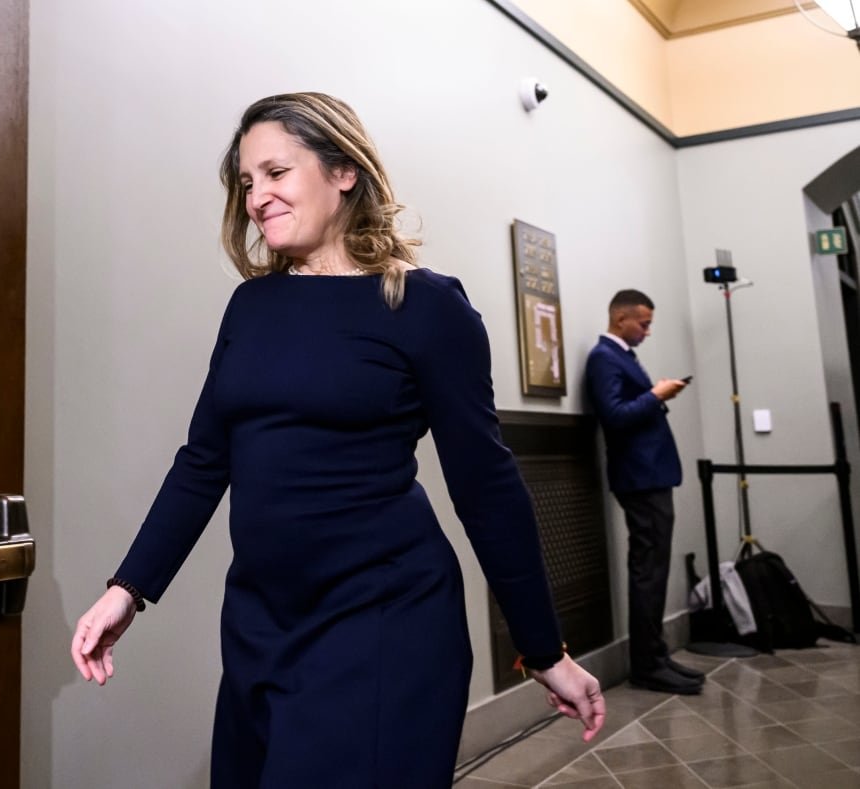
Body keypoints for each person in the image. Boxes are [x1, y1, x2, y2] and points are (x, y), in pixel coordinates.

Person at [72, 92, 605, 787]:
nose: (257, 197)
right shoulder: (252, 306)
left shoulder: (426, 305)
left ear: (343, 171)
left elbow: (486, 485)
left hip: (385, 624)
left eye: (275, 172)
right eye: (246, 182)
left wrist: (543, 648)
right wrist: (128, 588)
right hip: (260, 625)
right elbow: (204, 460)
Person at [585, 289, 704, 695]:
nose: (648, 331)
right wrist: (656, 395)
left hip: (650, 475)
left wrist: (655, 395)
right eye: (644, 323)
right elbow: (615, 416)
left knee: (653, 569)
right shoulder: (603, 357)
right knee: (648, 571)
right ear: (621, 318)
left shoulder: (621, 356)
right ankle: (648, 665)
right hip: (640, 477)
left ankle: (656, 654)